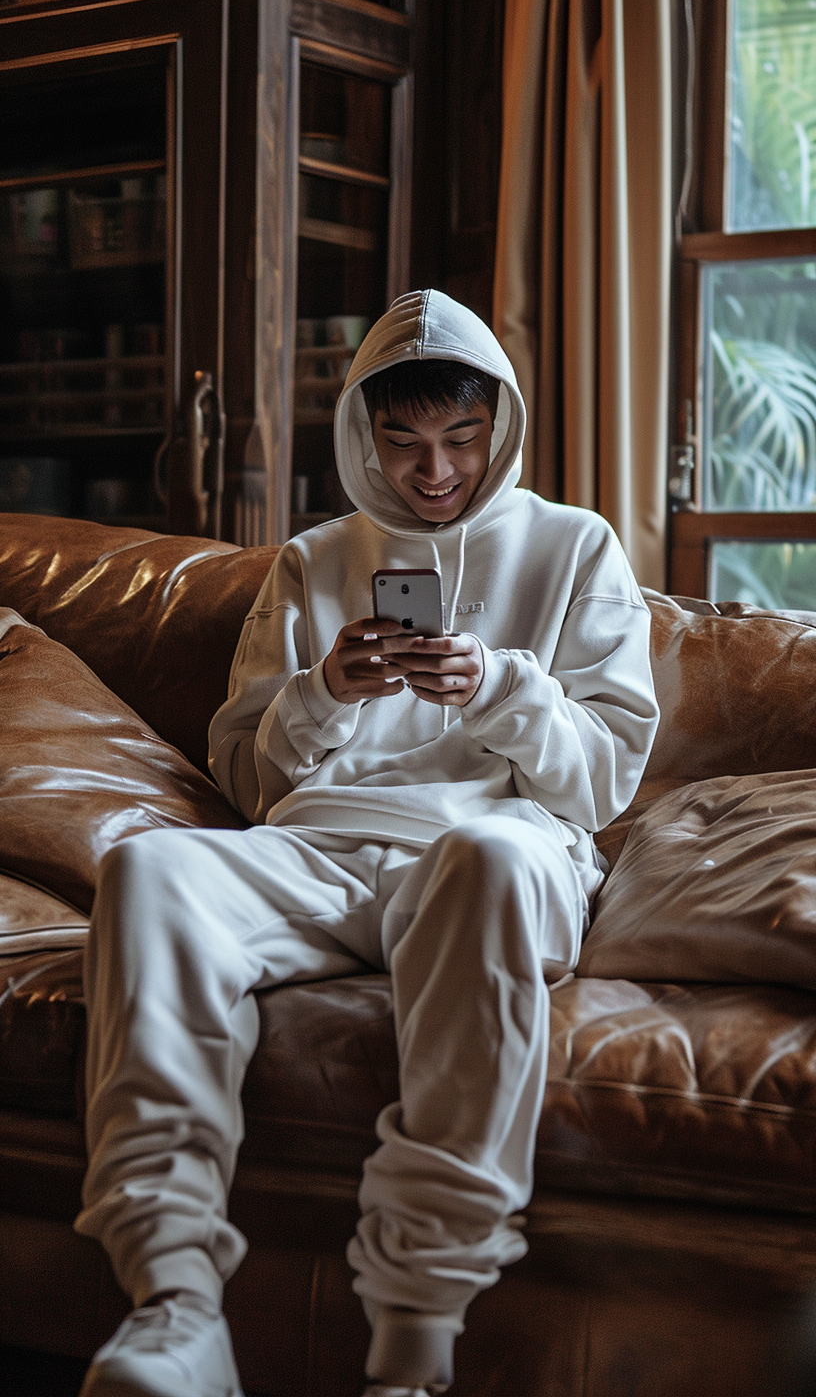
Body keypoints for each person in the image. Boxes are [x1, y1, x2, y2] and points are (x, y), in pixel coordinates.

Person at [76, 290, 659, 1397]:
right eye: (401, 443)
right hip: (323, 850)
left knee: (488, 860)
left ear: (501, 425)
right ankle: (174, 1305)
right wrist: (323, 692)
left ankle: (411, 1349)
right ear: (361, 435)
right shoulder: (312, 560)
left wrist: (500, 688)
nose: (431, 471)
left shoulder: (577, 547)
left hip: (502, 839)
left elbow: (604, 778)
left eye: (460, 439)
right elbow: (244, 773)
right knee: (150, 867)